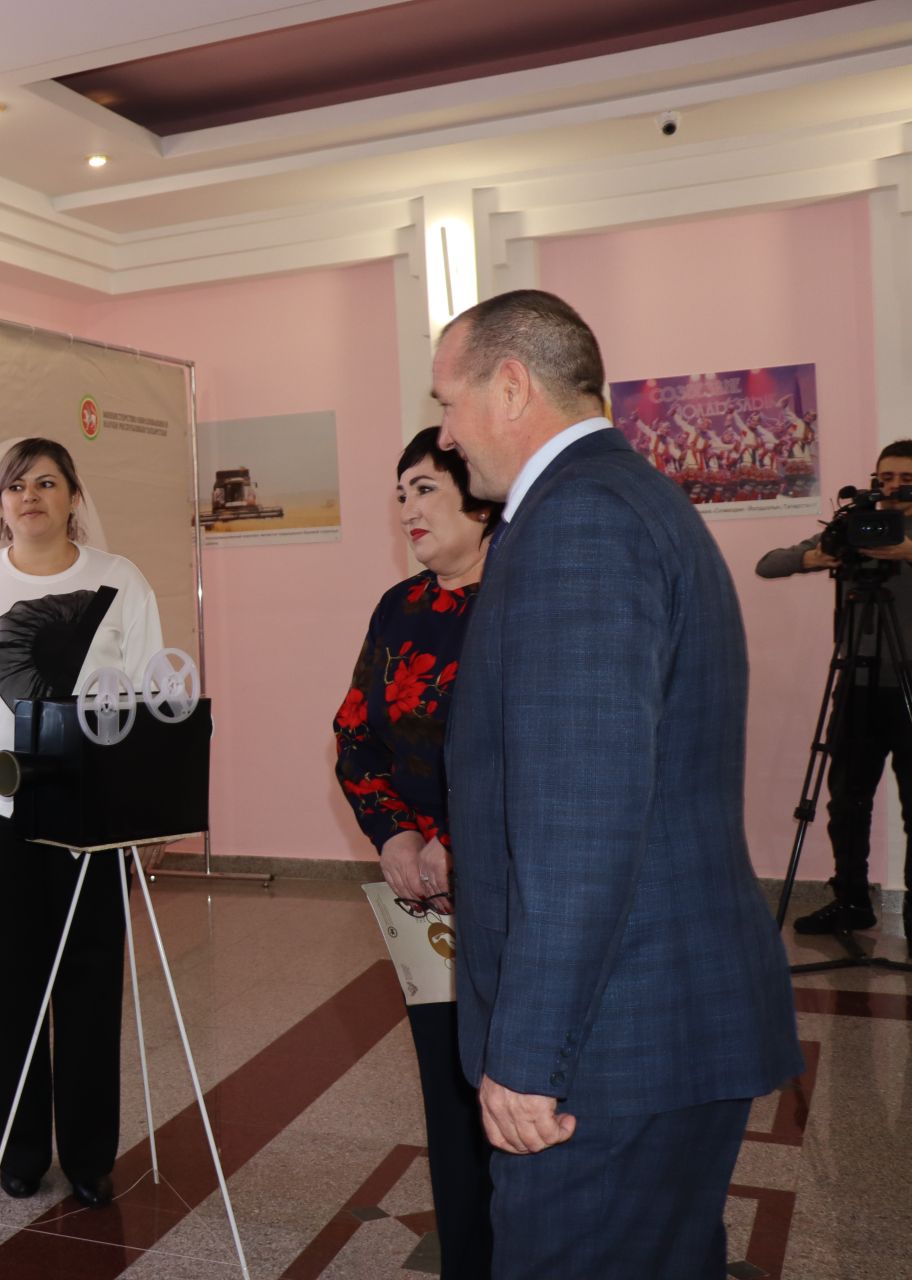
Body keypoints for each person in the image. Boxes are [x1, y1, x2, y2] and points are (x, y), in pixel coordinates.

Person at [432, 290, 802, 1279]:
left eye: (449, 401)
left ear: (511, 386)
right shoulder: (631, 496)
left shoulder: (578, 524)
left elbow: (580, 823)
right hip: (662, 1022)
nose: (444, 433)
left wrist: (530, 1056)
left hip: (609, 1052)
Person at [0, 437, 162, 1208]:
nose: (31, 497)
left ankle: (90, 1156)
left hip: (93, 822)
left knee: (91, 987)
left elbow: (154, 699)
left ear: (73, 497)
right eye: (16, 486)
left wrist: (147, 815)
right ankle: (19, 1153)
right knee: (9, 986)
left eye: (47, 483)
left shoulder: (118, 580)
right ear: (0, 506)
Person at [332, 426, 498, 1279]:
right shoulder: (400, 607)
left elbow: (543, 751)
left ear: (479, 495)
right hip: (421, 898)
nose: (408, 510)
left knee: (525, 1087)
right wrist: (396, 835)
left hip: (515, 887)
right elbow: (355, 734)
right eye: (400, 494)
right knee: (447, 1085)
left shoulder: (527, 597)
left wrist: (457, 842)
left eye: (425, 488)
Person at [755, 441, 912, 933]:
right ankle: (851, 901)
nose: (892, 487)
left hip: (909, 686)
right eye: (884, 477)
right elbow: (769, 563)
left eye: (904, 477)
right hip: (857, 683)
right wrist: (815, 558)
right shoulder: (852, 529)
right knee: (846, 800)